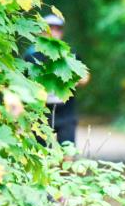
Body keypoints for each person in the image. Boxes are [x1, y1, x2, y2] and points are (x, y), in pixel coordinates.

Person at [23, 13, 89, 146]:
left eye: (58, 29)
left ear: (62, 33)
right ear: (42, 32)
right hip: (41, 113)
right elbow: (23, 85)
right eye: (50, 28)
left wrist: (69, 80)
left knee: (68, 151)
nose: (54, 32)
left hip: (66, 112)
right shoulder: (31, 57)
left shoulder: (71, 55)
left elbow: (85, 77)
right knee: (41, 152)